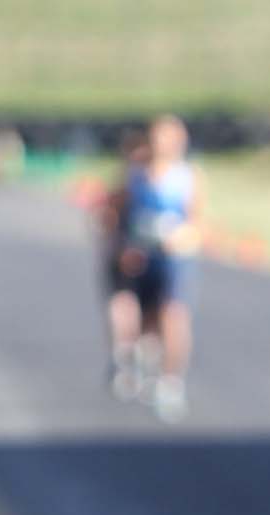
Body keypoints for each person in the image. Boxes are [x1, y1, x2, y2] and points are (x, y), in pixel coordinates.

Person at [114, 114, 207, 421]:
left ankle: (171, 381)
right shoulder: (136, 174)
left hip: (175, 258)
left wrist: (181, 237)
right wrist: (126, 246)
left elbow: (197, 220)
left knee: (174, 315)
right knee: (144, 319)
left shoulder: (188, 176)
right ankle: (138, 361)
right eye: (158, 137)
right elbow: (122, 215)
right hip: (143, 256)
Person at [98, 125, 152, 400]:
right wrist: (120, 248)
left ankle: (139, 358)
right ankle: (123, 355)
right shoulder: (124, 184)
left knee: (150, 314)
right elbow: (107, 220)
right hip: (124, 255)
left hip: (154, 259)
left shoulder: (159, 181)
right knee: (122, 304)